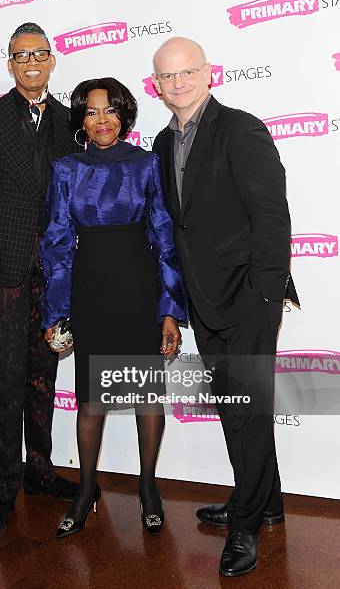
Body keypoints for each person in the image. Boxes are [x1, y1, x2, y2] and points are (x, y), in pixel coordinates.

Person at [151, 37, 299, 577]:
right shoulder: (161, 146)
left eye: (187, 71)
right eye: (168, 76)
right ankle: (268, 502)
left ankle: (245, 522)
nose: (178, 83)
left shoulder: (240, 128)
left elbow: (271, 215)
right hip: (203, 300)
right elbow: (177, 226)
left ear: (208, 73)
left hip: (249, 298)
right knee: (239, 406)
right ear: (158, 86)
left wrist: (265, 293)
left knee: (248, 411)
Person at [39, 77, 187, 538]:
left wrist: (169, 308)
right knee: (90, 399)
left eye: (110, 110)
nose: (101, 120)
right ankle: (85, 489)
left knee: (147, 396)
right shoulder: (66, 168)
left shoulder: (147, 164)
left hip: (140, 288)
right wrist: (56, 311)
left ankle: (147, 488)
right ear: (81, 119)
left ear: (124, 114)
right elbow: (58, 241)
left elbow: (164, 237)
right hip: (91, 289)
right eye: (91, 112)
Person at [0, 22, 79, 542]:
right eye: (20, 55)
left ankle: (41, 470)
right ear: (9, 64)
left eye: (39, 53)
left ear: (52, 61)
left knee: (43, 378)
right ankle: (4, 490)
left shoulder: (69, 120)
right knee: (8, 382)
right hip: (6, 275)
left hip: (54, 275)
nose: (30, 62)